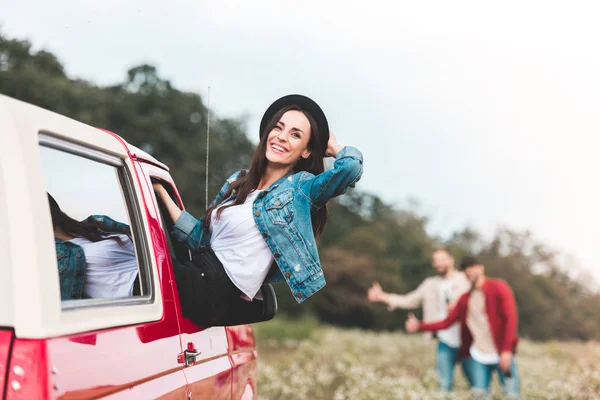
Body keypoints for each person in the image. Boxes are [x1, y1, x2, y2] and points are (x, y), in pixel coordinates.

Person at [153, 94, 363, 326]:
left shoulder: (300, 189)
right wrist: (161, 193)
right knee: (123, 243)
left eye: (295, 135)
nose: (282, 137)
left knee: (137, 258)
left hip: (214, 290)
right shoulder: (239, 181)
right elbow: (200, 239)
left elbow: (350, 168)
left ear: (306, 151)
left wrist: (334, 147)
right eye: (278, 128)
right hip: (200, 271)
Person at [405, 256, 520, 399]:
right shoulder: (465, 299)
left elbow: (510, 319)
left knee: (511, 394)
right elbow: (446, 323)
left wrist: (507, 350)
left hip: (501, 353)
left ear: (481, 268)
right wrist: (420, 326)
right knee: (479, 395)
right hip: (478, 356)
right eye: (466, 270)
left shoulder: (499, 287)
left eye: (472, 267)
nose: (469, 272)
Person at [368, 247, 471, 392]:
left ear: (451, 260)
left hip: (468, 340)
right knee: (444, 386)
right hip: (444, 341)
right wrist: (383, 297)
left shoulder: (465, 279)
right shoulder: (430, 284)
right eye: (435, 261)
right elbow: (409, 299)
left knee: (476, 386)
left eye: (442, 259)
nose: (438, 264)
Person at [48, 193, 139, 300]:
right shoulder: (51, 258)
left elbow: (150, 236)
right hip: (140, 294)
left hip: (158, 269)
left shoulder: (97, 223)